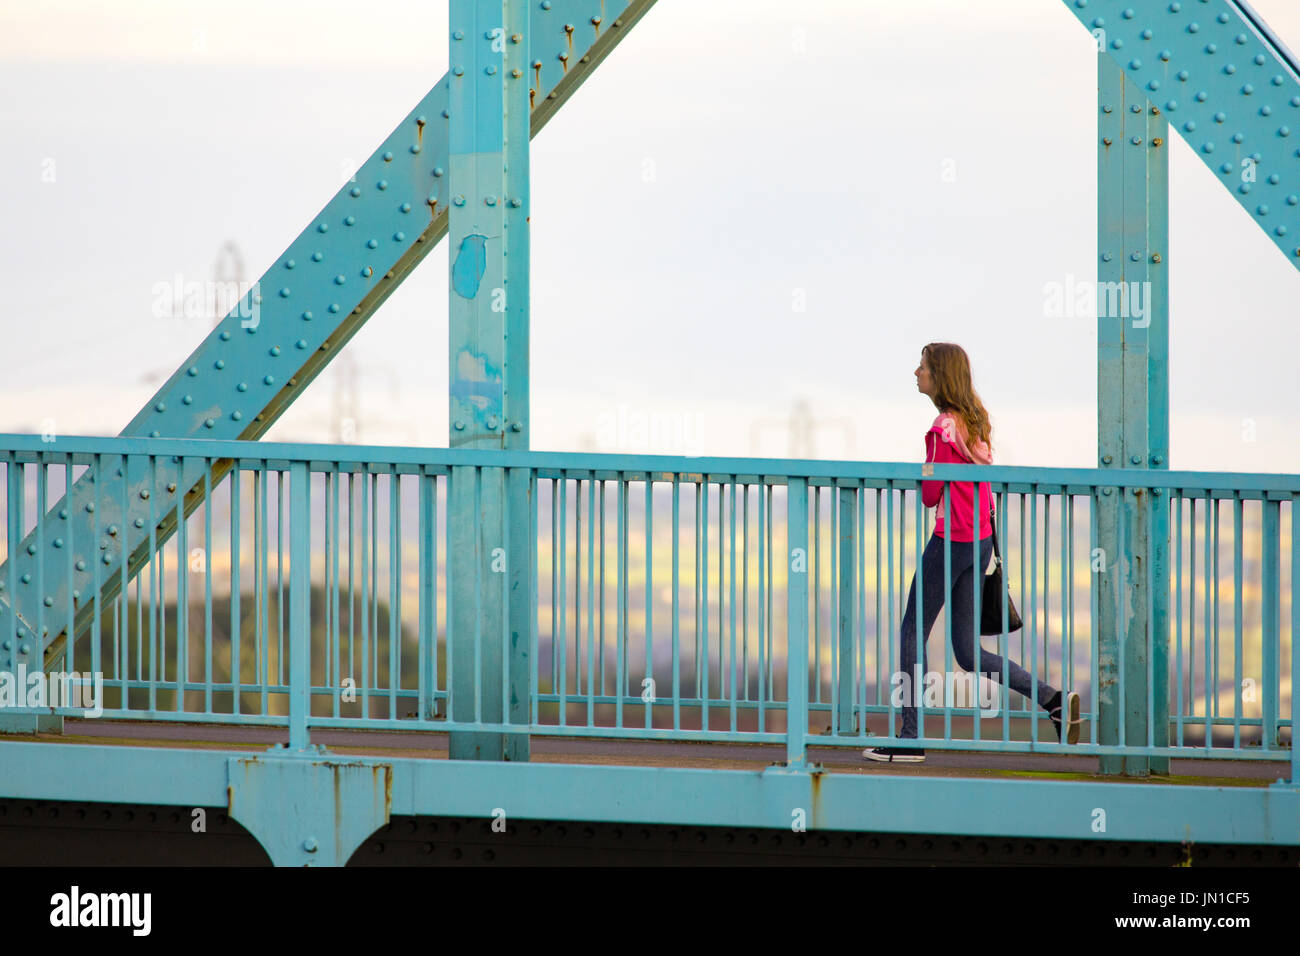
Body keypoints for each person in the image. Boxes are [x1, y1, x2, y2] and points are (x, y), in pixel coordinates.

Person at [863, 343, 1079, 763]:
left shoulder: (941, 429)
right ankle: (1050, 697)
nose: (915, 373)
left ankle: (910, 738)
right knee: (966, 651)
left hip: (949, 540)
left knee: (912, 630)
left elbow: (929, 496)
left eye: (922, 367)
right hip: (978, 542)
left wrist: (925, 465)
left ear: (939, 375)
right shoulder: (974, 425)